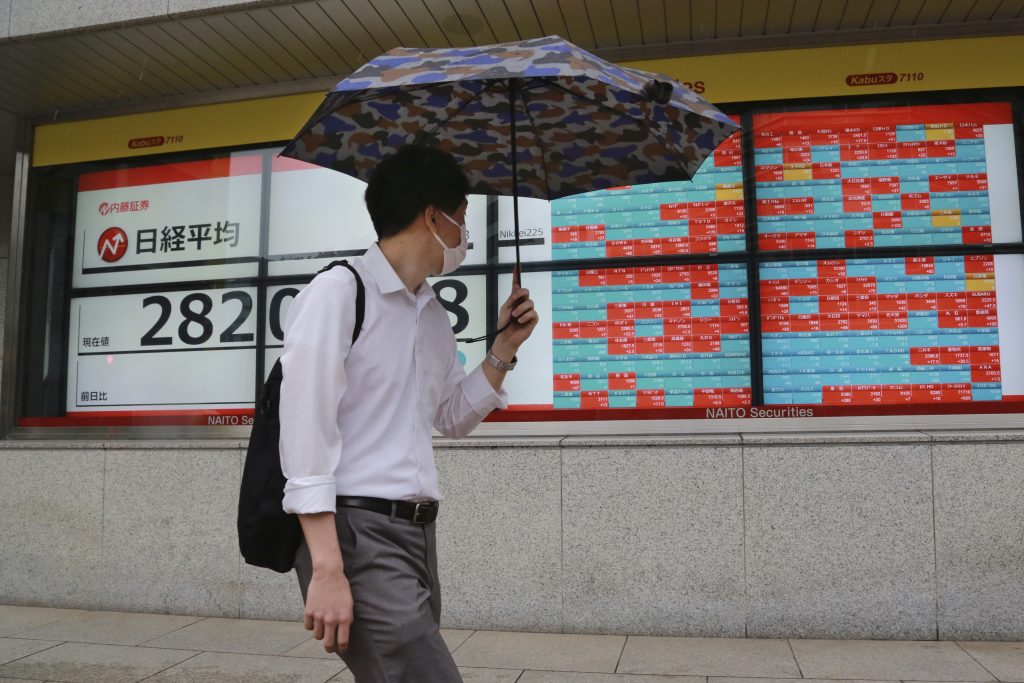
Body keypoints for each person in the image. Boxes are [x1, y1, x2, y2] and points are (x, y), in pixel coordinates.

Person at [278, 144, 537, 682]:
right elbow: (304, 432)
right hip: (355, 533)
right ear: (433, 217)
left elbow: (450, 416)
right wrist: (326, 567)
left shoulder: (432, 314)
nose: (465, 236)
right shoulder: (338, 294)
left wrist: (505, 347)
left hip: (417, 536)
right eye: (462, 220)